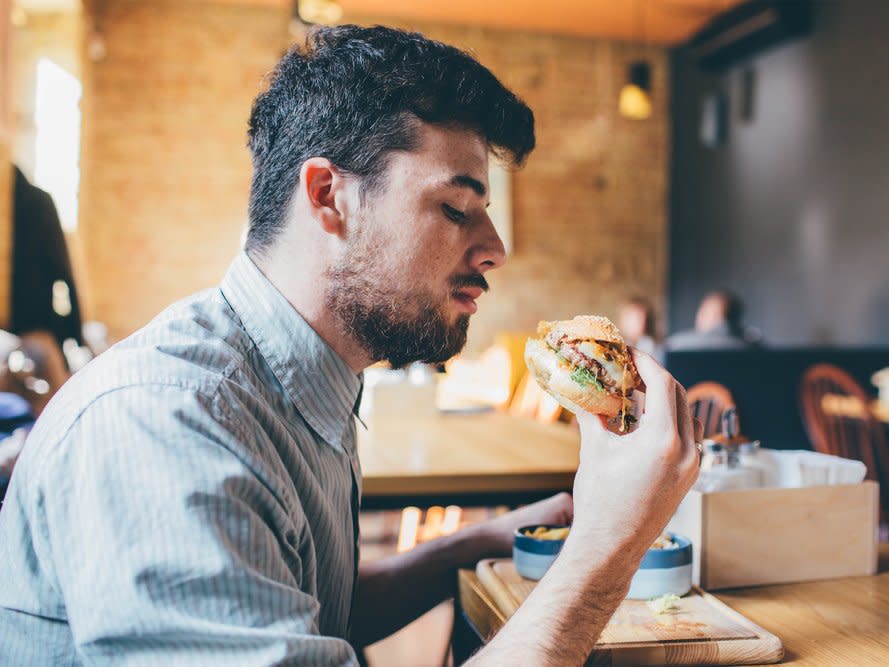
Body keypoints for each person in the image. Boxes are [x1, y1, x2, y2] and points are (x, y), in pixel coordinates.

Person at [0, 26, 699, 665]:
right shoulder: (165, 423)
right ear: (329, 195)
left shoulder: (300, 378)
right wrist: (606, 548)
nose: (494, 249)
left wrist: (481, 538)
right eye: (456, 208)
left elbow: (300, 604)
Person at [667, 289, 760, 351]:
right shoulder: (755, 347)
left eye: (704, 312)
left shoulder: (676, 345)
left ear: (718, 316)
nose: (699, 317)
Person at [617, 296, 661, 361]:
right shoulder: (616, 345)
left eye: (640, 318)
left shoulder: (654, 348)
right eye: (631, 318)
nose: (640, 323)